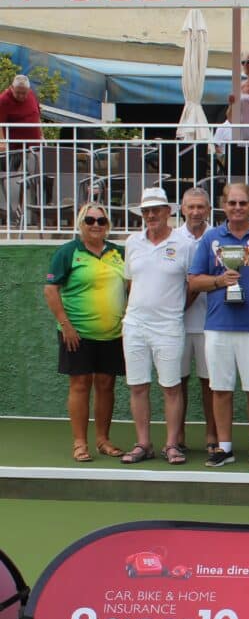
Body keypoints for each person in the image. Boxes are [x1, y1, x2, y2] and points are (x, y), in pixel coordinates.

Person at [188, 182, 249, 468]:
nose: (237, 208)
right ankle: (225, 447)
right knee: (220, 388)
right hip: (219, 325)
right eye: (232, 203)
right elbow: (195, 280)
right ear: (223, 205)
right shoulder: (211, 239)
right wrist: (220, 280)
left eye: (242, 203)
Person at [43, 202, 126, 463]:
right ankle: (80, 443)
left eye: (101, 221)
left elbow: (132, 285)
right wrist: (65, 325)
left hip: (112, 333)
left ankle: (103, 440)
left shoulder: (119, 253)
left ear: (107, 226)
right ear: (81, 223)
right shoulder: (68, 252)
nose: (95, 225)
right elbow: (51, 290)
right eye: (90, 220)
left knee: (106, 385)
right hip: (76, 333)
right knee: (80, 385)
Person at [120, 188, 195, 465]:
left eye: (156, 210)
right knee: (138, 386)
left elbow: (193, 284)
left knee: (171, 387)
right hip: (135, 325)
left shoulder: (185, 244)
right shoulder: (132, 243)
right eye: (146, 211)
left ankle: (172, 445)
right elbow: (130, 283)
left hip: (169, 327)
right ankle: (143, 444)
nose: (151, 215)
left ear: (168, 212)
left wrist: (173, 309)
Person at [176, 187, 217, 455]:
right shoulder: (172, 238)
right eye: (191, 207)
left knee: (210, 383)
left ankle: (212, 435)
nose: (195, 212)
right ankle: (177, 436)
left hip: (212, 323)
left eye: (201, 206)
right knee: (177, 382)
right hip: (176, 324)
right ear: (182, 210)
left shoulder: (220, 237)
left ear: (209, 209)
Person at [0, 74, 42, 170]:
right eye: (18, 92)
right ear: (12, 88)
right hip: (15, 147)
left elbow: (36, 115)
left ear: (28, 90)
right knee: (11, 174)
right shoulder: (3, 100)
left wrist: (41, 135)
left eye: (24, 93)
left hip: (34, 145)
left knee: (35, 173)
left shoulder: (31, 94)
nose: (21, 96)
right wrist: (2, 142)